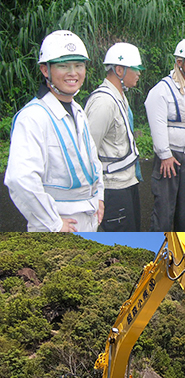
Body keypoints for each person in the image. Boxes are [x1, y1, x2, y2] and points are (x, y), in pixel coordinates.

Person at [7, 30, 105, 232]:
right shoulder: (33, 117)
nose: (73, 73)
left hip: (88, 217)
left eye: (79, 65)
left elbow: (93, 161)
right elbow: (20, 179)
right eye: (63, 66)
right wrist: (53, 222)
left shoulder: (78, 110)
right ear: (45, 70)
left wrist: (99, 197)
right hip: (55, 225)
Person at [144, 38, 185, 231]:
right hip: (170, 155)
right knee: (164, 209)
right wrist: (164, 155)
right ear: (180, 62)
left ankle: (183, 248)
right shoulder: (162, 89)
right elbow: (157, 124)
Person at [87, 43, 143, 232]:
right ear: (119, 69)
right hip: (112, 187)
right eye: (136, 69)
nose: (139, 73)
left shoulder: (119, 96)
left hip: (127, 181)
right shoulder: (103, 102)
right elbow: (87, 151)